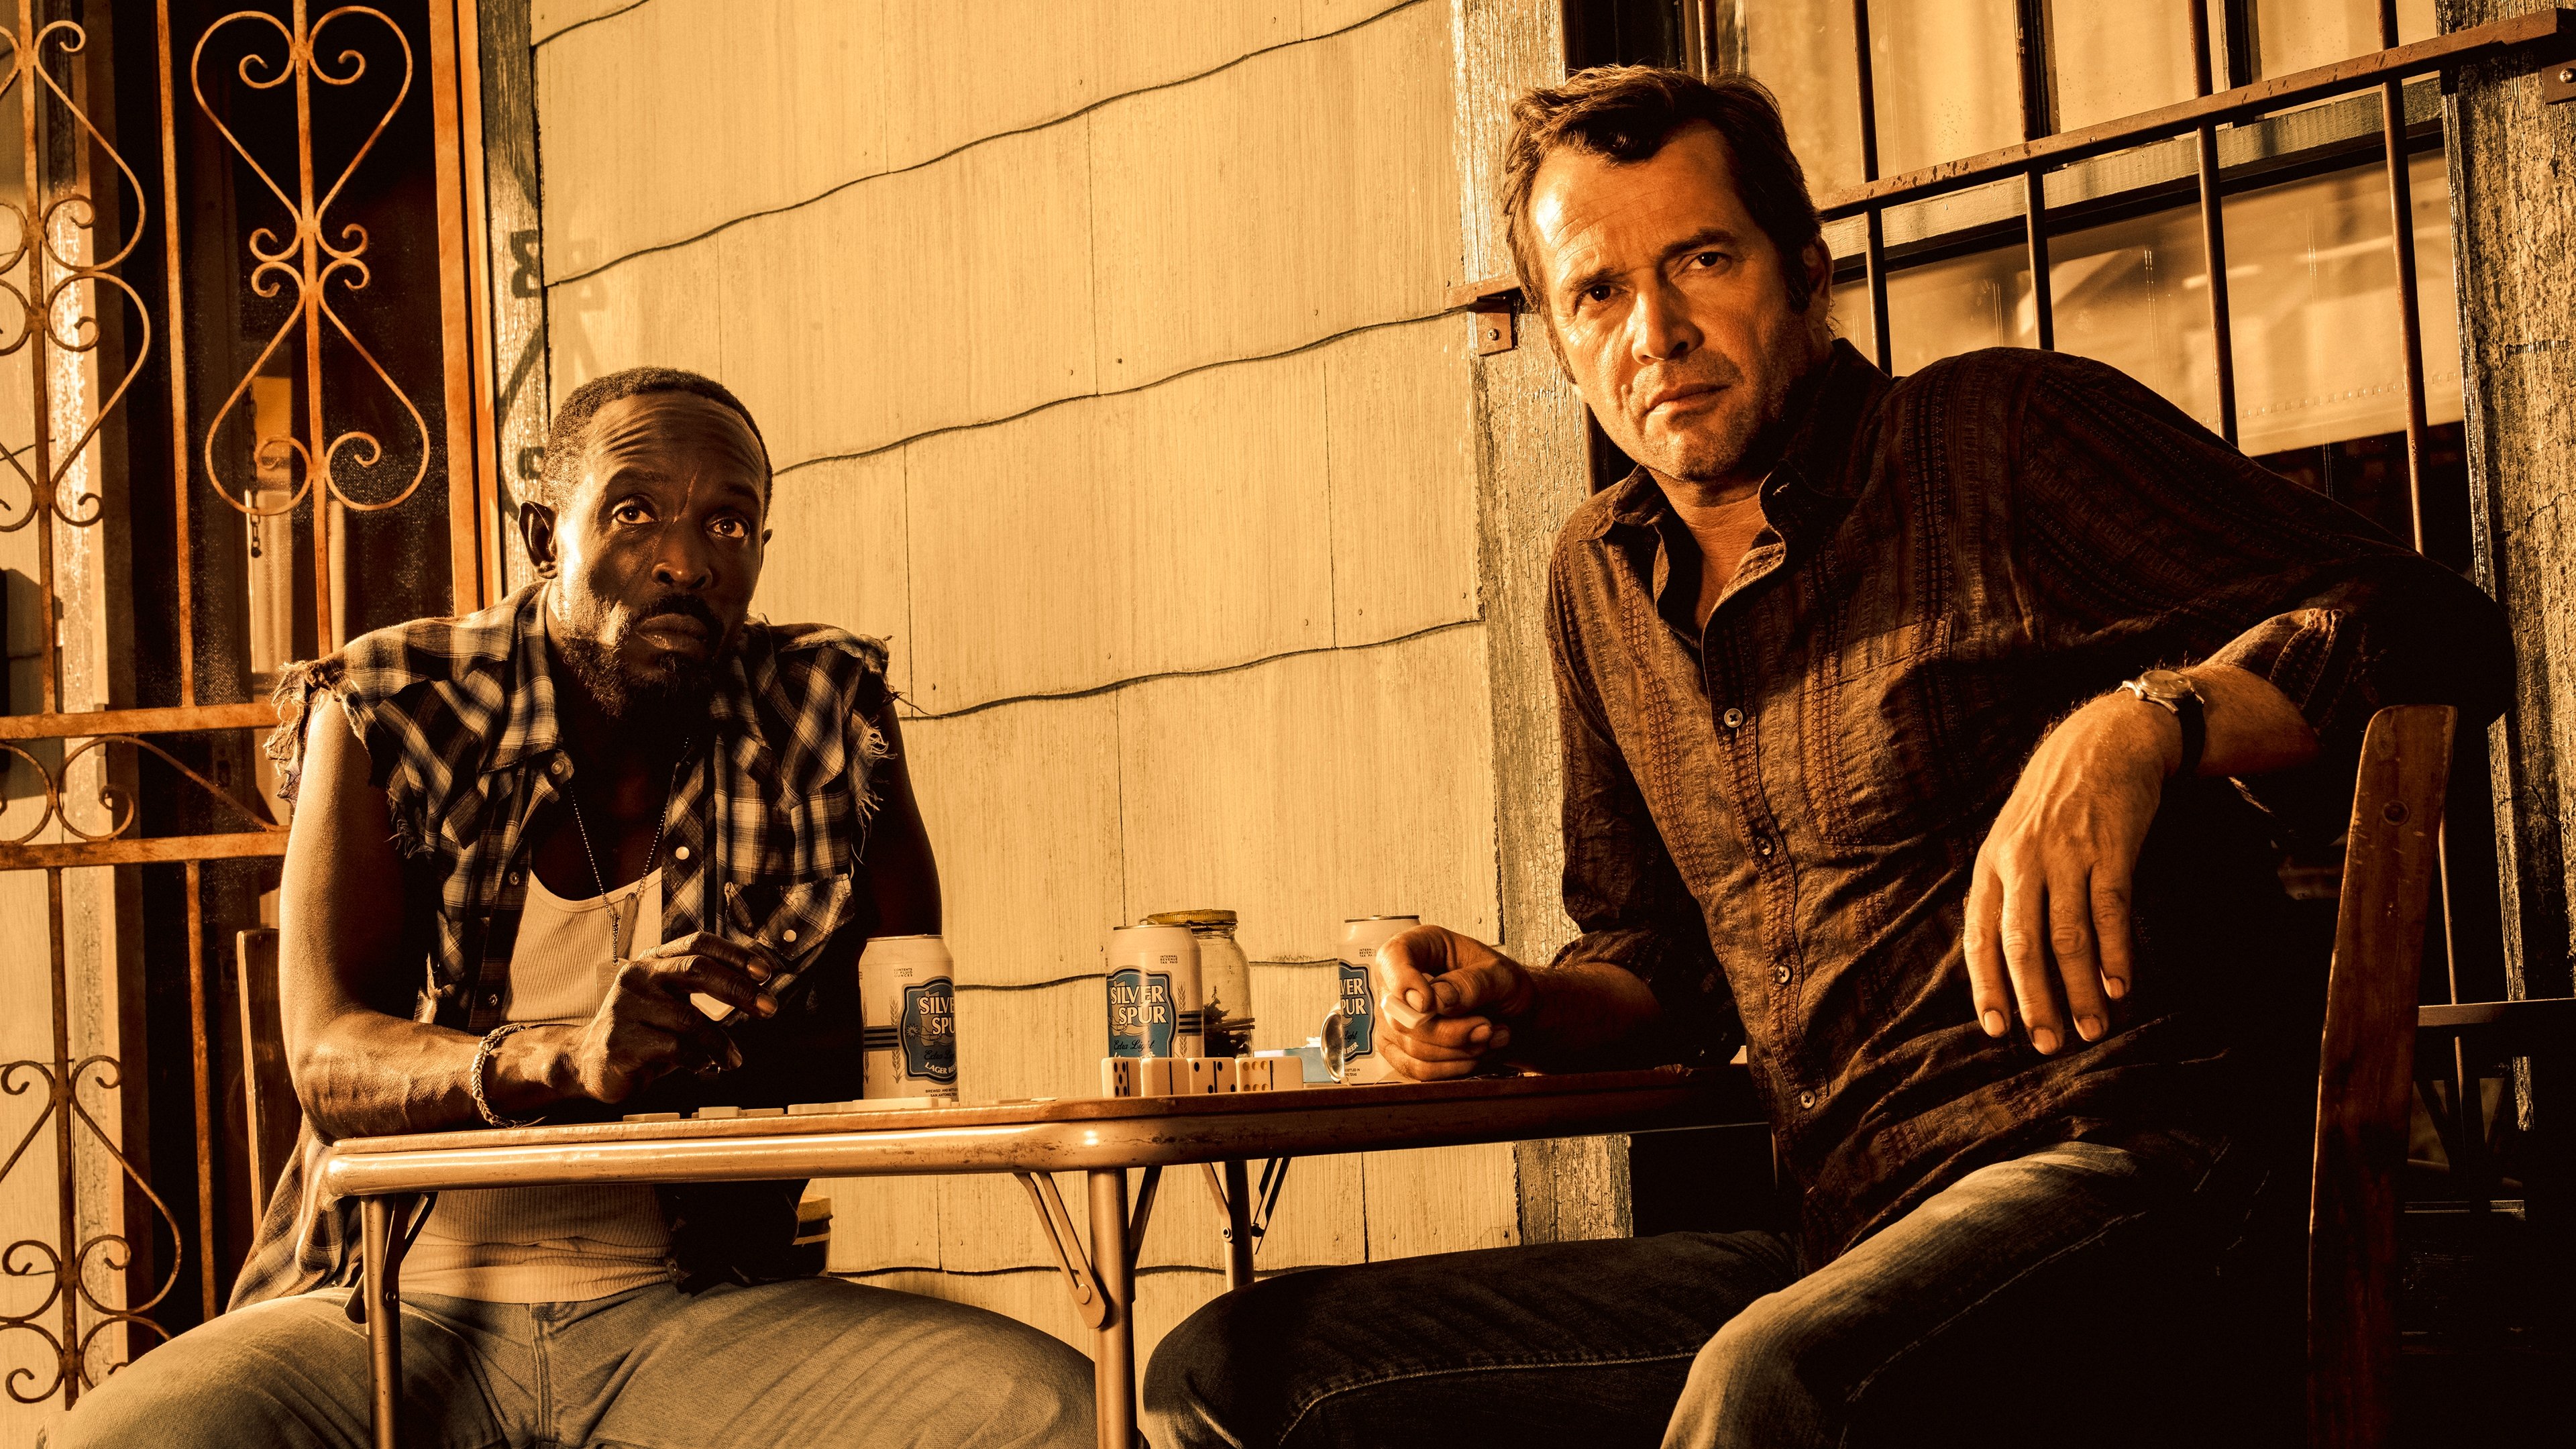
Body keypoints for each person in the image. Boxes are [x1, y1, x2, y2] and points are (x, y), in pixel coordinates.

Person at [1144, 66, 2512, 1449]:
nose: (1657, 333)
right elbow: (1655, 963)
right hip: (1848, 1236)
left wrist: (2144, 721)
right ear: (1557, 340)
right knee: (1242, 1370)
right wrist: (1516, 1005)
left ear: (1807, 269)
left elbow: (2429, 625)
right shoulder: (1596, 582)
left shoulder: (1995, 441)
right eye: (1598, 293)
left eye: (1703, 260)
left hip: (2143, 1186)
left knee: (1774, 1384)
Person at [54, 368, 1093, 1448]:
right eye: (635, 512)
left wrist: (701, 1060)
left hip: (696, 1312)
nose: (686, 560)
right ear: (543, 535)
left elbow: (902, 1038)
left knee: (1051, 1412)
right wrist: (564, 1058)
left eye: (728, 522)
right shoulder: (396, 704)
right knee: (117, 1442)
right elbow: (328, 1057)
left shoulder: (819, 709)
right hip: (393, 1308)